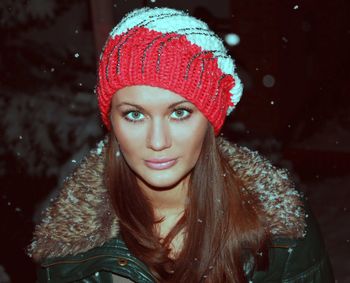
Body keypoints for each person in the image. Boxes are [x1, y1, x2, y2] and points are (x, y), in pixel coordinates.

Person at [28, 7, 334, 283]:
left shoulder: (282, 232)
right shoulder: (67, 249)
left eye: (180, 112)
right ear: (111, 120)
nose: (157, 141)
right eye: (135, 114)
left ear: (210, 120)